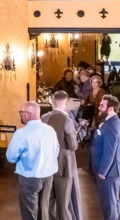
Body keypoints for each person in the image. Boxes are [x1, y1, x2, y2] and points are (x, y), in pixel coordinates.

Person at [6, 101, 60, 220]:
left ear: (29, 114)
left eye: (21, 112)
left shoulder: (21, 133)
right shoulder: (50, 130)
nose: (20, 114)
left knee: (29, 214)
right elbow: (56, 151)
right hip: (48, 177)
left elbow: (11, 157)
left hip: (29, 179)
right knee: (43, 211)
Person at [41, 91, 82, 220]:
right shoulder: (68, 121)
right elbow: (73, 146)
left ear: (53, 102)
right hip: (64, 167)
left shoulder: (44, 118)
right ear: (66, 103)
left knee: (49, 203)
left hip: (47, 165)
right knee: (63, 205)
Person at [91, 95, 120, 220]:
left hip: (109, 172)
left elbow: (110, 152)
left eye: (102, 105)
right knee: (113, 202)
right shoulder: (111, 121)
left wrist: (102, 171)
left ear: (110, 109)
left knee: (109, 205)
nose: (99, 108)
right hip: (111, 171)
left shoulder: (112, 126)